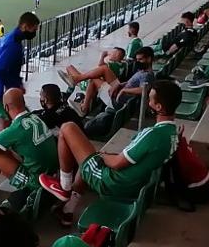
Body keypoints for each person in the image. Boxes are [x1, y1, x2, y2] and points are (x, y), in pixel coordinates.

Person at [38, 80, 182, 221]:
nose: (147, 103)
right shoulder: (173, 134)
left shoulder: (152, 134)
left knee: (67, 128)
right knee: (87, 161)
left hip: (113, 182)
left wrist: (101, 156)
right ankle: (67, 211)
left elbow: (117, 163)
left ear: (158, 106)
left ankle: (64, 186)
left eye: (150, 100)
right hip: (132, 181)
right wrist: (101, 156)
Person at [0, 88, 59, 192]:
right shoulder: (36, 118)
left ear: (6, 107)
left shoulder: (15, 129)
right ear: (23, 102)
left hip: (36, 182)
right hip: (52, 174)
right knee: (0, 149)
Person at [0, 12, 40, 131]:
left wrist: (18, 84)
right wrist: (14, 87)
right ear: (25, 26)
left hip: (1, 90)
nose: (34, 33)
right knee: (6, 125)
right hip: (0, 91)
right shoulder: (13, 45)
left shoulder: (10, 38)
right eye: (34, 29)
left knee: (12, 124)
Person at [57, 47, 126, 116]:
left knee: (70, 68)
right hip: (120, 90)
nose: (109, 53)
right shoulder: (124, 64)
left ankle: (82, 106)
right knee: (97, 72)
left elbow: (100, 66)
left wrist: (103, 56)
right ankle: (75, 81)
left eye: (112, 52)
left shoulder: (113, 65)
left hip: (116, 96)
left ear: (116, 55)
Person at [111, 46, 156, 111]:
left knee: (100, 74)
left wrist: (124, 90)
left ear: (149, 59)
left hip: (118, 101)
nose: (137, 62)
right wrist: (122, 84)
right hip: (120, 95)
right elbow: (135, 84)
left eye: (140, 59)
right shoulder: (143, 71)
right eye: (137, 59)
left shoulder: (146, 75)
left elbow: (143, 89)